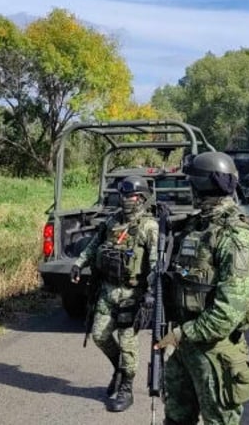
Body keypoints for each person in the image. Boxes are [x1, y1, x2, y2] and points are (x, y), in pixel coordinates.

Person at [155, 151, 249, 425]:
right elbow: (189, 274)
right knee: (177, 418)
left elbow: (227, 314)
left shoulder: (236, 238)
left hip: (215, 354)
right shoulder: (196, 227)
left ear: (201, 185)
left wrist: (182, 333)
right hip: (184, 348)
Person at [70, 175, 159, 412]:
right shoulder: (112, 222)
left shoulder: (149, 227)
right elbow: (93, 246)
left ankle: (126, 389)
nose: (126, 200)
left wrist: (151, 291)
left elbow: (155, 262)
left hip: (132, 293)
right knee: (99, 334)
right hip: (108, 290)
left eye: (130, 196)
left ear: (141, 198)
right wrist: (79, 263)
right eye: (123, 195)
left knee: (128, 342)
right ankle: (120, 368)